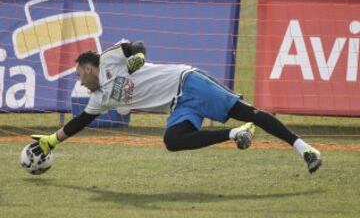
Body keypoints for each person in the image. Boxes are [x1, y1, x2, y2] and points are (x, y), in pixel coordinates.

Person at [31, 39, 322, 174]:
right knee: (172, 140)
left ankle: (304, 148)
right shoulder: (98, 99)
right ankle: (235, 135)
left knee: (249, 112)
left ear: (88, 67)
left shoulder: (108, 60)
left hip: (188, 82)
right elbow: (80, 122)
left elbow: (137, 46)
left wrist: (138, 58)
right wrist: (51, 141)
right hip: (179, 105)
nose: (79, 81)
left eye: (79, 74)